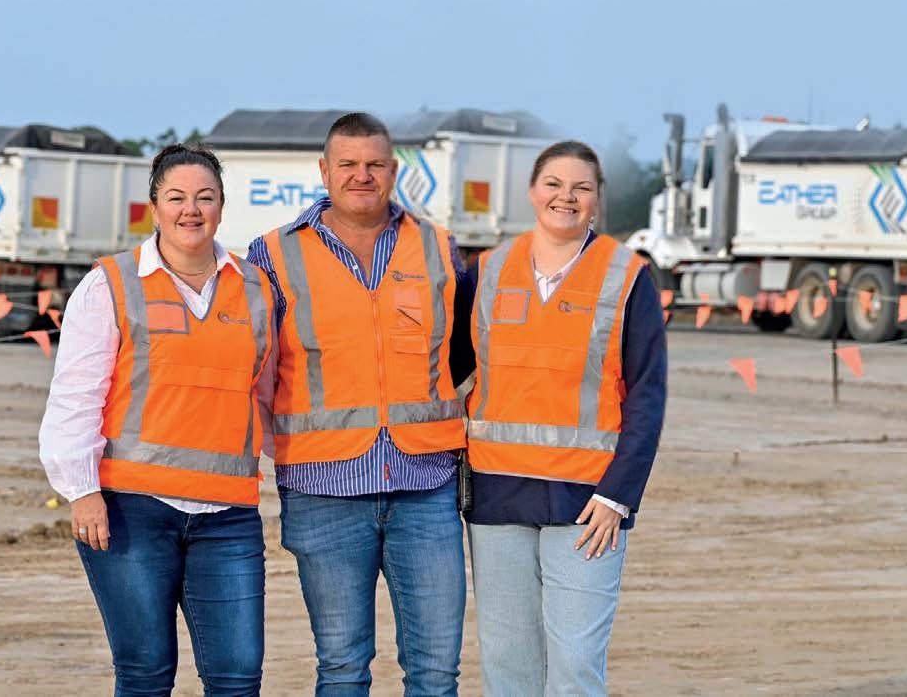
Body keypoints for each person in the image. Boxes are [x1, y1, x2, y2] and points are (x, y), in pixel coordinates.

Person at [39, 144, 275, 697]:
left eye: (205, 197)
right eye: (177, 197)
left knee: (239, 677)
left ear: (222, 207)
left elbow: (266, 392)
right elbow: (75, 396)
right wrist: (81, 491)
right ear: (154, 207)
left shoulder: (256, 288)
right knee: (145, 673)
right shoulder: (111, 284)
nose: (191, 210)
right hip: (132, 511)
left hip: (228, 515)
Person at [247, 112, 468, 696]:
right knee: (342, 668)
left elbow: (467, 353)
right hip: (323, 489)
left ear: (393, 170)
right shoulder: (273, 254)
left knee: (436, 673)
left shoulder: (440, 247)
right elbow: (250, 363)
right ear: (324, 171)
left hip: (426, 486)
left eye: (374, 164)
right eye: (348, 164)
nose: (361, 175)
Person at [457, 140, 667, 696]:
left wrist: (619, 495)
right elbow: (449, 371)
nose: (566, 197)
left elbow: (647, 395)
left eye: (581, 187)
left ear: (598, 199)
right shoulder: (486, 272)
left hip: (588, 504)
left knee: (575, 665)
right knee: (508, 663)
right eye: (553, 184)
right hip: (497, 495)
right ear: (532, 192)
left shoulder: (628, 277)